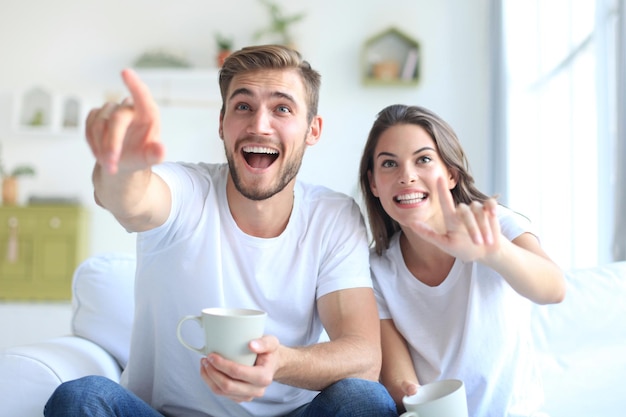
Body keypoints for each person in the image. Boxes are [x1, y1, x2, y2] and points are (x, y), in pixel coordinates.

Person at [44, 45, 397, 417]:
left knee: (364, 400)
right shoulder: (186, 191)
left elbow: (363, 357)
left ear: (313, 129)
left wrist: (281, 362)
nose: (259, 124)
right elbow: (130, 199)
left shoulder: (333, 216)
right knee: (82, 397)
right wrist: (120, 164)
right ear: (221, 122)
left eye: (282, 108)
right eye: (243, 106)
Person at [358, 104, 566, 417]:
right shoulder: (376, 271)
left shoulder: (495, 225)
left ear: (451, 175)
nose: (407, 176)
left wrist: (492, 252)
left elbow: (554, 289)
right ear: (374, 183)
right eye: (389, 164)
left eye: (424, 159)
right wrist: (413, 397)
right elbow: (401, 380)